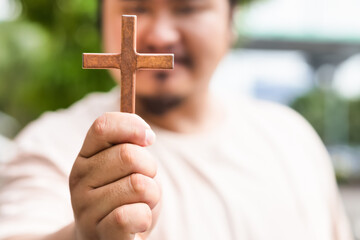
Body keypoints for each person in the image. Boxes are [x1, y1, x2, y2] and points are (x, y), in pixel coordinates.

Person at [0, 0, 353, 239]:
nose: (160, 36)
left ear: (230, 22)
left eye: (187, 7)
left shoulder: (292, 139)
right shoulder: (51, 146)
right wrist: (81, 234)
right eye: (137, 6)